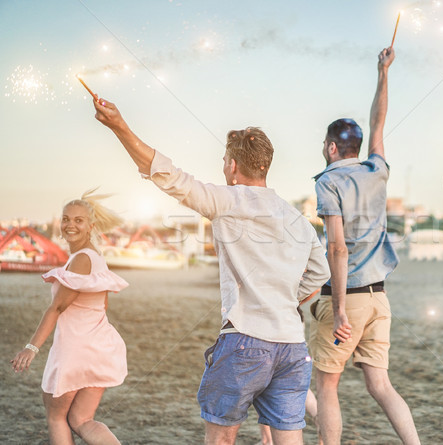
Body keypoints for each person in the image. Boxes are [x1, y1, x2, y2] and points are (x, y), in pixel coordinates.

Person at [92, 99, 330, 445]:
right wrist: (284, 299)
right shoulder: (298, 219)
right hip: (292, 346)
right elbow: (318, 273)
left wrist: (119, 127)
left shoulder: (228, 201)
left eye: (223, 161)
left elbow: (168, 176)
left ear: (233, 166)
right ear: (265, 166)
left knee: (221, 438)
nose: (223, 167)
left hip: (245, 341)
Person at [308, 47, 420, 445]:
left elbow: (337, 249)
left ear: (333, 148)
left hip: (350, 297)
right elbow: (379, 124)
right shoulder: (377, 171)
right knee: (381, 386)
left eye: (326, 143)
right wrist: (382, 72)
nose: (324, 148)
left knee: (326, 385)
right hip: (379, 299)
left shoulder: (328, 182)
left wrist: (337, 308)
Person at [11, 190, 128, 445]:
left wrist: (32, 348)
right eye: (66, 219)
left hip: (75, 350)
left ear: (90, 226)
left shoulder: (81, 260)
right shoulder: (95, 258)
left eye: (78, 220)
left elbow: (57, 308)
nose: (70, 225)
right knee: (81, 419)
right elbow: (103, 304)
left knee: (56, 418)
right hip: (99, 348)